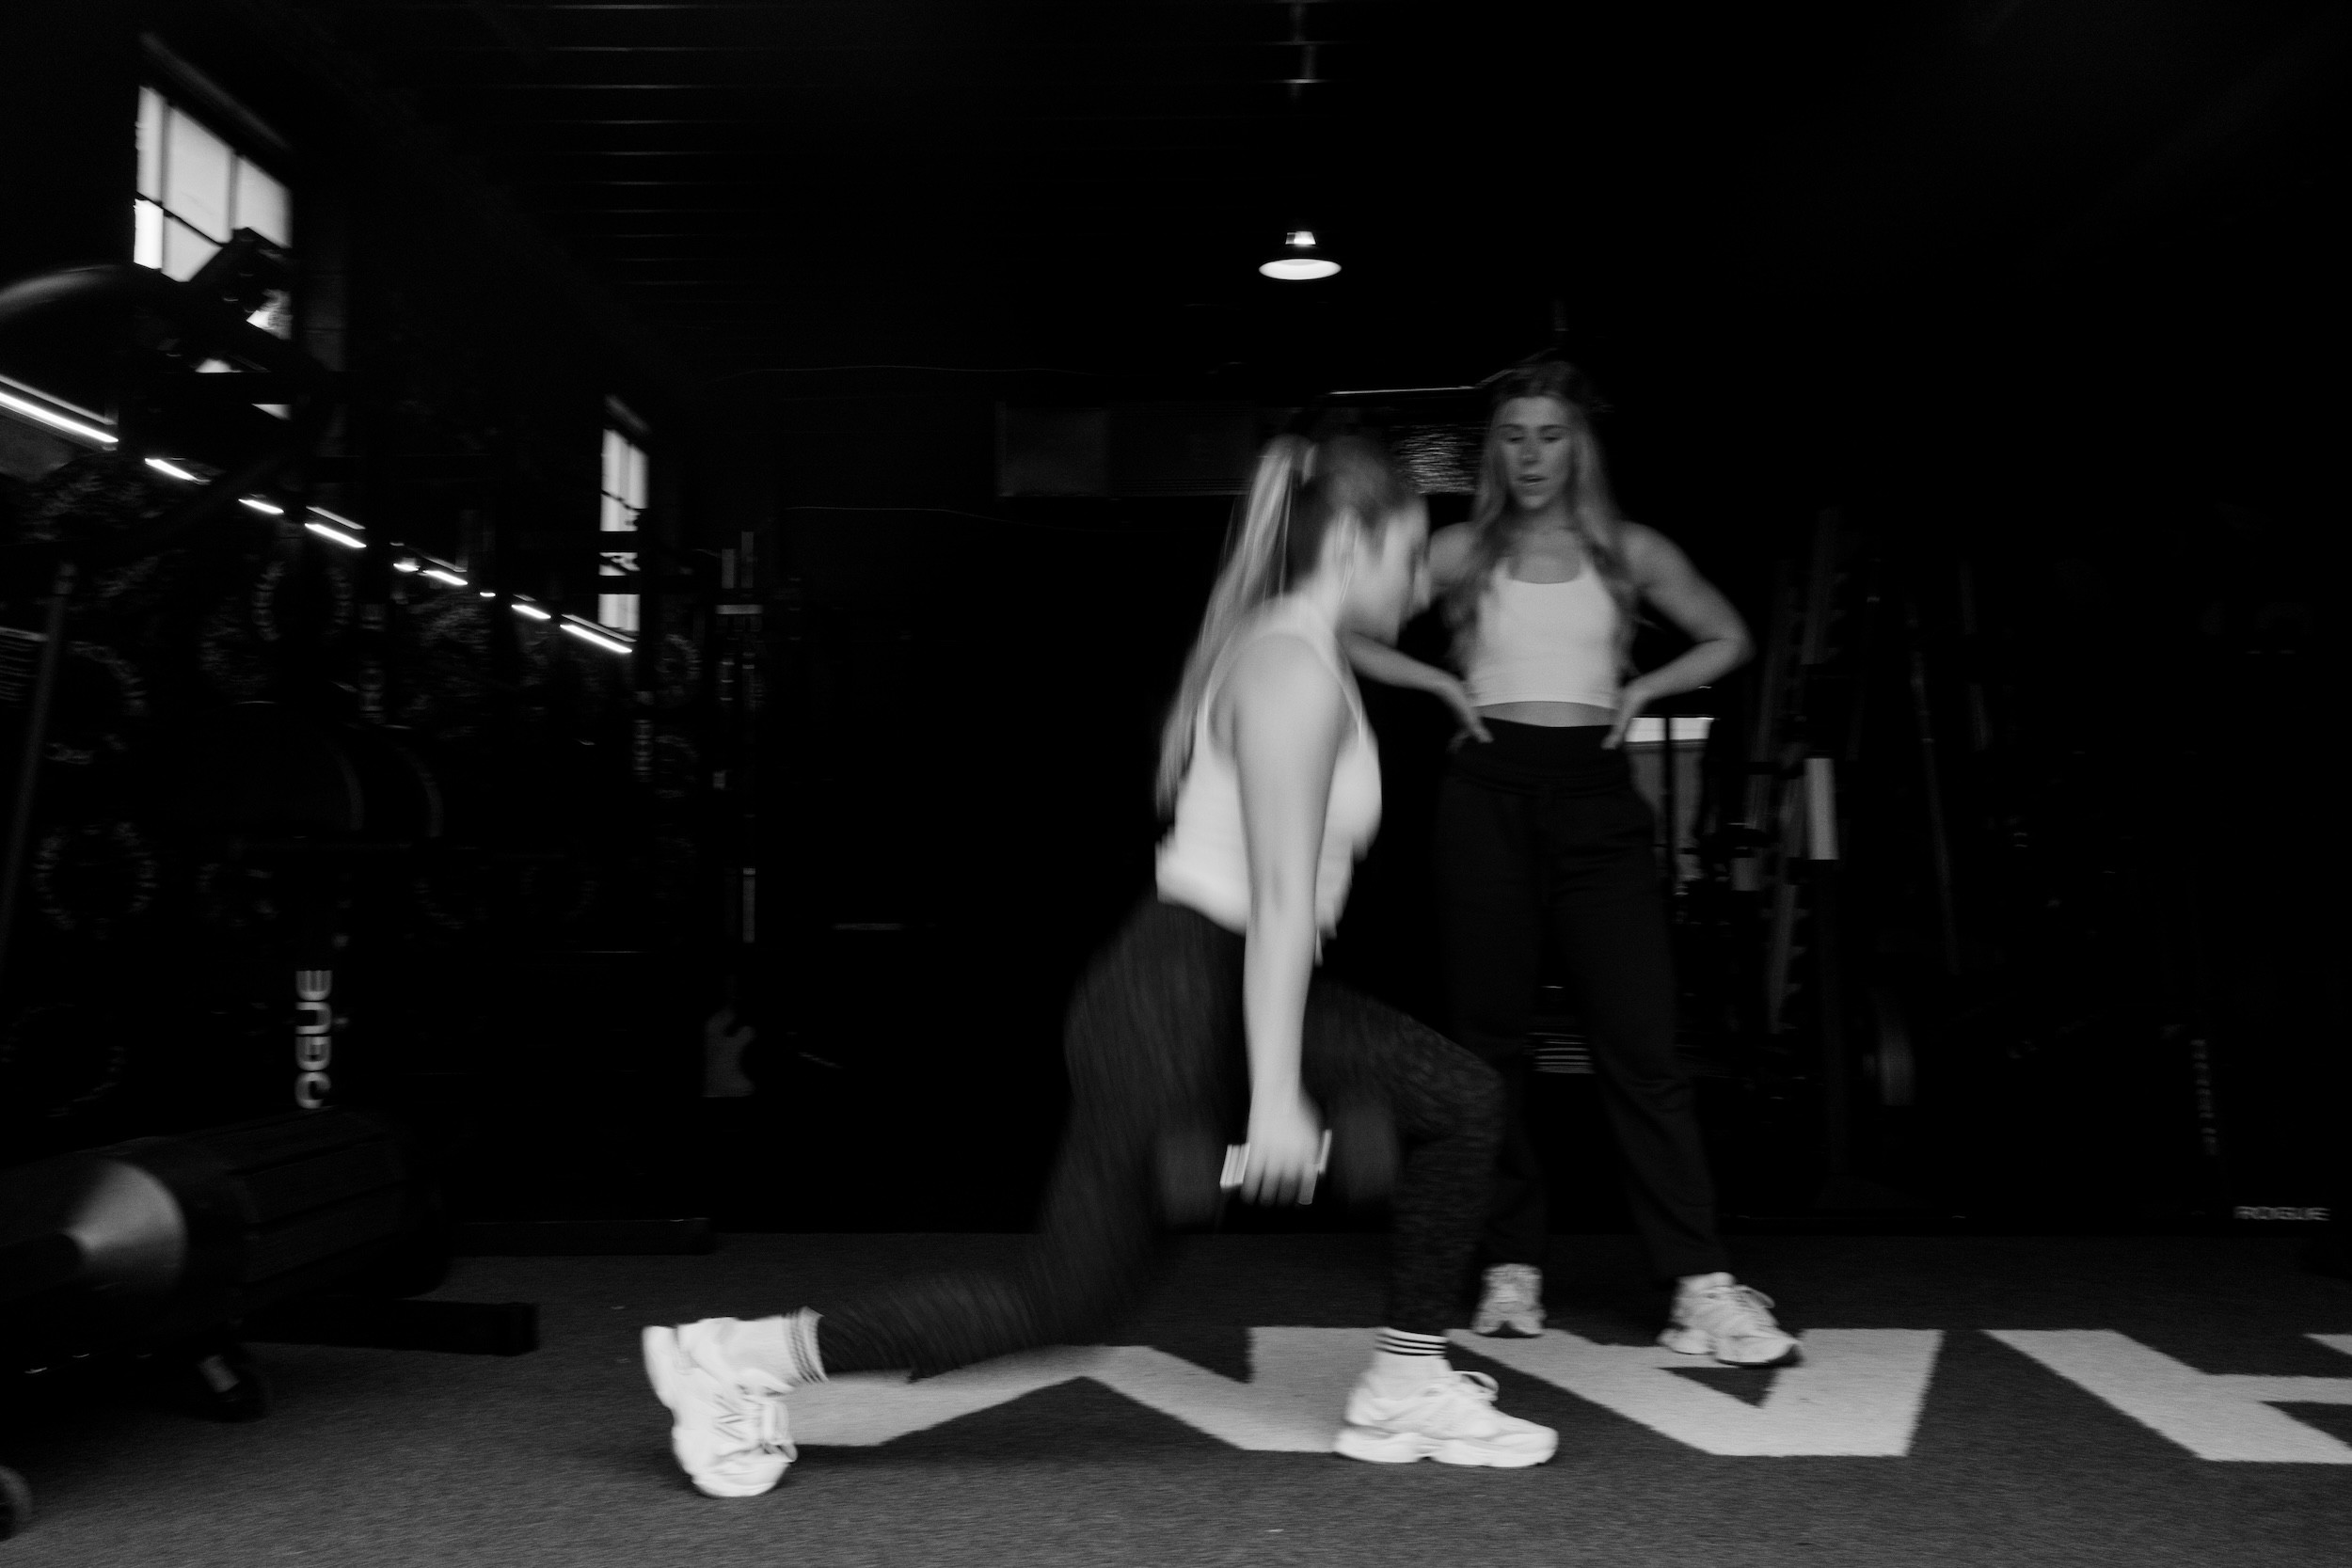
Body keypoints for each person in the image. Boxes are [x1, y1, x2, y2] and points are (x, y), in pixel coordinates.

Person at [642, 435, 1556, 1498]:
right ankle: (736, 1359)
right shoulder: (1290, 667)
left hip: (1179, 983)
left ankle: (740, 1356)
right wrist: (1270, 1098)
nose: (1421, 579)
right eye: (1409, 553)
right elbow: (1273, 905)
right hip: (1189, 985)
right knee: (1451, 1101)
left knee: (1072, 1293)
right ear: (1351, 543)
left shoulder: (1292, 647)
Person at [1343, 359, 1798, 1368]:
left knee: (1641, 1046)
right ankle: (1511, 1263)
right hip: (1486, 798)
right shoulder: (1459, 548)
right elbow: (1348, 631)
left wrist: (1641, 697)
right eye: (1512, 435)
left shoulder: (1629, 549)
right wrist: (1439, 685)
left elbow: (1727, 634)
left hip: (1595, 801)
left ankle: (1696, 1283)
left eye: (1550, 434)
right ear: (1493, 449)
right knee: (1486, 1040)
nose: (1531, 453)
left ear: (1577, 445)